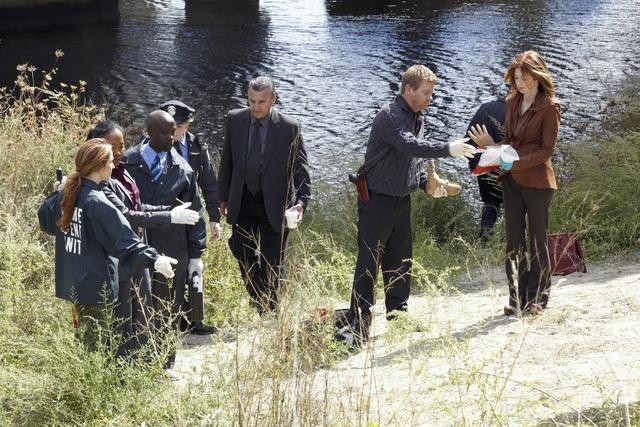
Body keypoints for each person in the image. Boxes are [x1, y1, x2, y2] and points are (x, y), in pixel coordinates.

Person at [346, 64, 476, 344]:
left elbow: (413, 159)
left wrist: (427, 183)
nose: (431, 98)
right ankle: (358, 322)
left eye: (432, 93)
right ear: (408, 89)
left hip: (401, 200)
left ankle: (399, 318)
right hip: (376, 200)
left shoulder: (417, 115)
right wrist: (448, 149)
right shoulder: (390, 115)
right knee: (368, 262)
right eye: (426, 93)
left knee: (400, 261)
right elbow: (409, 145)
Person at [38, 139, 177, 352]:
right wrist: (155, 259)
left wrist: (59, 192)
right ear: (100, 166)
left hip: (74, 282)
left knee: (83, 343)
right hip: (96, 289)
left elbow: (45, 220)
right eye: (110, 162)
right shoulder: (96, 201)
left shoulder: (68, 195)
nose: (113, 166)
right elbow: (124, 241)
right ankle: (90, 385)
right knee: (96, 350)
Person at [87, 121, 199, 358]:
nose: (119, 152)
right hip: (123, 255)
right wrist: (169, 216)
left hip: (137, 250)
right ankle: (128, 369)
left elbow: (136, 205)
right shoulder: (101, 183)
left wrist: (167, 211)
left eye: (122, 145)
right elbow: (126, 215)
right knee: (126, 318)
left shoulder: (120, 171)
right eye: (112, 147)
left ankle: (147, 363)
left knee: (144, 312)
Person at [468, 50, 561, 316]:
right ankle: (516, 298)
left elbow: (546, 151)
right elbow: (509, 144)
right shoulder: (511, 102)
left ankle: (538, 300)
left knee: (537, 240)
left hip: (538, 181)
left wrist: (512, 162)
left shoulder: (550, 107)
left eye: (524, 77)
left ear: (537, 75)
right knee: (514, 241)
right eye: (516, 78)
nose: (519, 83)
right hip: (510, 180)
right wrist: (492, 146)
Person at [218, 76, 311, 315]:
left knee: (273, 260)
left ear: (273, 99)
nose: (256, 107)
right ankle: (261, 298)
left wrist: (301, 202)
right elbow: (227, 160)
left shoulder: (290, 127)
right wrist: (223, 196)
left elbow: (300, 168)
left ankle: (269, 308)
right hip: (243, 198)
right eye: (251, 100)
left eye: (261, 101)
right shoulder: (235, 119)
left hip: (276, 203)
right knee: (241, 250)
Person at [122, 110, 207, 368]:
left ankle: (166, 363)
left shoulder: (182, 168)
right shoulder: (128, 163)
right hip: (138, 246)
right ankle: (137, 364)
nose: (171, 137)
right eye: (164, 132)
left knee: (169, 307)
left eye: (173, 132)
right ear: (149, 131)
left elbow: (195, 212)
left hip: (174, 247)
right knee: (137, 307)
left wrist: (196, 256)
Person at [157, 100, 221, 335]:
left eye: (178, 128)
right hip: (166, 219)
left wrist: (214, 217)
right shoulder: (153, 146)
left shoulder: (196, 146)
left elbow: (209, 184)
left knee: (195, 268)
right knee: (170, 270)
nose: (173, 134)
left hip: (192, 216)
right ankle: (171, 319)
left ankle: (195, 320)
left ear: (186, 124)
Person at [466, 99, 506, 240]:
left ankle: (484, 236)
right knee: (514, 205)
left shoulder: (486, 107)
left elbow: (468, 140)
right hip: (507, 167)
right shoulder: (519, 114)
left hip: (483, 166)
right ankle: (505, 245)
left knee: (491, 203)